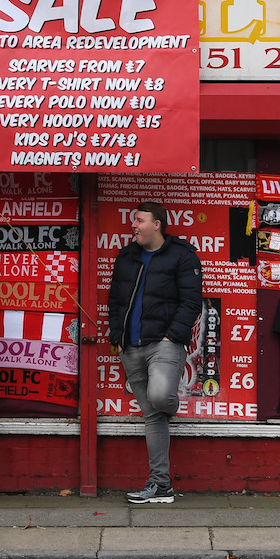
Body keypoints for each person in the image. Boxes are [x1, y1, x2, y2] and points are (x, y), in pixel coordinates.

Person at [106, 199, 202, 504]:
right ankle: (161, 486)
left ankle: (169, 407)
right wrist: (118, 335)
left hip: (164, 345)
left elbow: (191, 302)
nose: (134, 226)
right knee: (152, 416)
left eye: (139, 220)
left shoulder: (182, 256)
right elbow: (115, 300)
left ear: (156, 224)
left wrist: (171, 336)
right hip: (131, 347)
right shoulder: (127, 257)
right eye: (134, 221)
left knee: (160, 399)